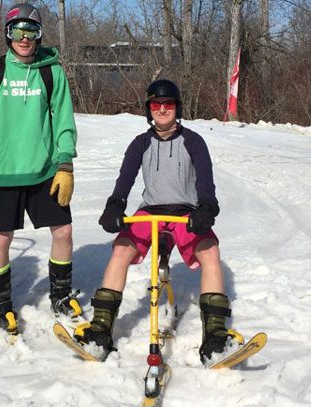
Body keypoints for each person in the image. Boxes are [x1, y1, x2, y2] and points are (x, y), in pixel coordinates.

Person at [76, 79, 237, 366]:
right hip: (150, 212)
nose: (162, 110)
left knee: (210, 250)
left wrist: (207, 207)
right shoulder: (141, 143)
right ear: (148, 110)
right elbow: (125, 179)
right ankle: (101, 329)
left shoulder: (193, 142)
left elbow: (205, 181)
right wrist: (115, 204)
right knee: (122, 248)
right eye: (156, 105)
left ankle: (214, 335)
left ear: (177, 108)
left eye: (168, 104)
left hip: (184, 213)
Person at [0, 3, 79, 335]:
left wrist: (65, 164)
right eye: (17, 31)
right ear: (7, 34)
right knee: (1, 239)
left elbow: (63, 121)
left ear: (39, 34)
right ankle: (2, 305)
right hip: (3, 174)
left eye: (30, 31)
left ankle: (60, 295)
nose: (24, 38)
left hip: (45, 171)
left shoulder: (51, 72)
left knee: (63, 233)